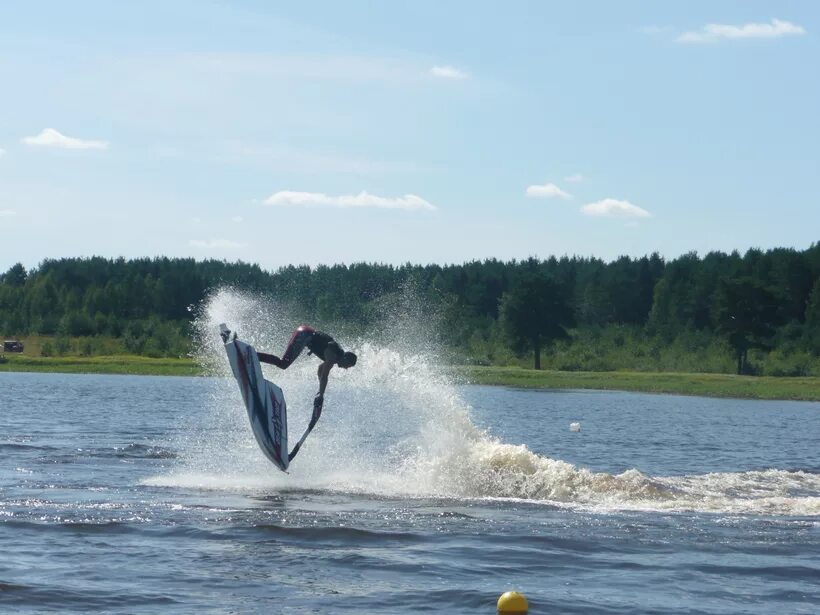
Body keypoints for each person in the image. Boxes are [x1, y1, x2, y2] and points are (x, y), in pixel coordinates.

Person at [257, 325, 357, 410]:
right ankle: (255, 355)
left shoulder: (336, 357)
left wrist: (319, 391)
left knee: (283, 364)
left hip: (305, 333)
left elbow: (320, 369)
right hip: (304, 335)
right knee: (284, 364)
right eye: (348, 366)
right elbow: (325, 376)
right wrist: (321, 395)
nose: (346, 368)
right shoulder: (333, 357)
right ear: (346, 359)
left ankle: (256, 356)